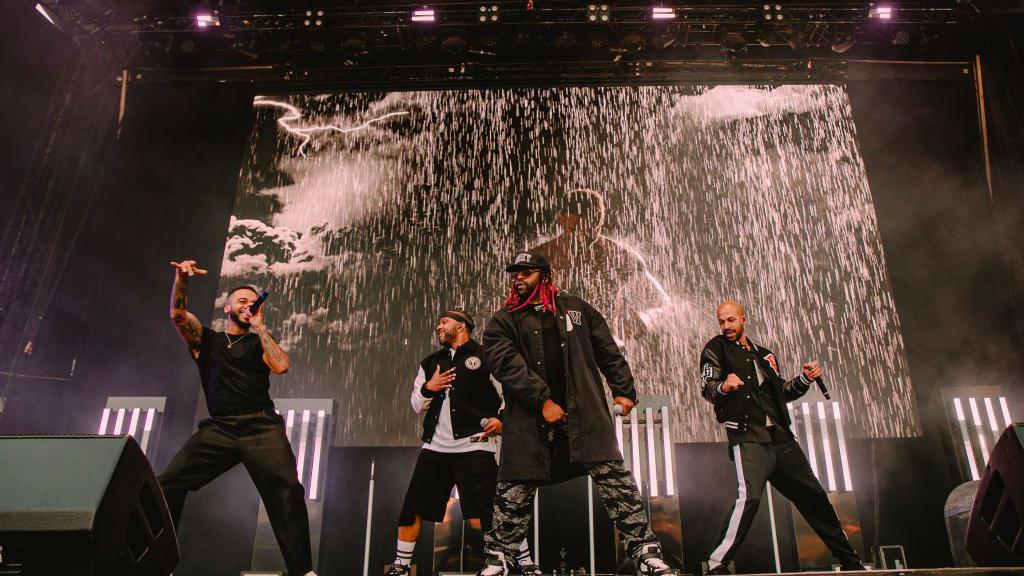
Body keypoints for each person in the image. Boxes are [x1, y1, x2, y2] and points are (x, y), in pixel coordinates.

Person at [476, 252, 672, 576]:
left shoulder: (576, 308)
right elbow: (503, 362)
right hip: (530, 422)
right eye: (515, 273)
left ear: (544, 275)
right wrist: (542, 401)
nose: (518, 278)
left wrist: (623, 390)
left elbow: (607, 348)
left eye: (526, 272)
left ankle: (646, 553)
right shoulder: (505, 319)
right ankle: (497, 559)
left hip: (584, 416)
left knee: (617, 484)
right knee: (513, 491)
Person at [159, 259, 316, 576]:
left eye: (253, 301)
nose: (249, 304)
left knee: (288, 490)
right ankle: (159, 565)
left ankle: (302, 571)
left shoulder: (259, 340)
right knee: (166, 485)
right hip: (221, 428)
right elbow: (177, 315)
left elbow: (281, 366)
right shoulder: (208, 341)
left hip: (260, 426)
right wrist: (182, 279)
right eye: (242, 300)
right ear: (227, 308)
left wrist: (260, 327)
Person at [699, 300, 863, 575]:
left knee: (814, 496)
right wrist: (724, 387)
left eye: (730, 320)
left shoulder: (765, 355)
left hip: (781, 438)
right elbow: (708, 388)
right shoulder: (715, 348)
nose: (726, 326)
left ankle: (850, 561)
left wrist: (805, 379)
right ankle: (717, 564)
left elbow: (782, 393)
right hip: (748, 435)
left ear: (743, 319)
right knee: (749, 499)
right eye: (721, 321)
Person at [386, 309, 540, 576]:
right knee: (413, 508)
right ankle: (400, 565)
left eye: (443, 322)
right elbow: (415, 405)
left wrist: (502, 420)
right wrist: (428, 389)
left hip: (475, 446)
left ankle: (524, 562)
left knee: (495, 509)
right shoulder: (430, 362)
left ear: (461, 325)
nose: (438, 327)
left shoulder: (486, 356)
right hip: (434, 448)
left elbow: (510, 394)